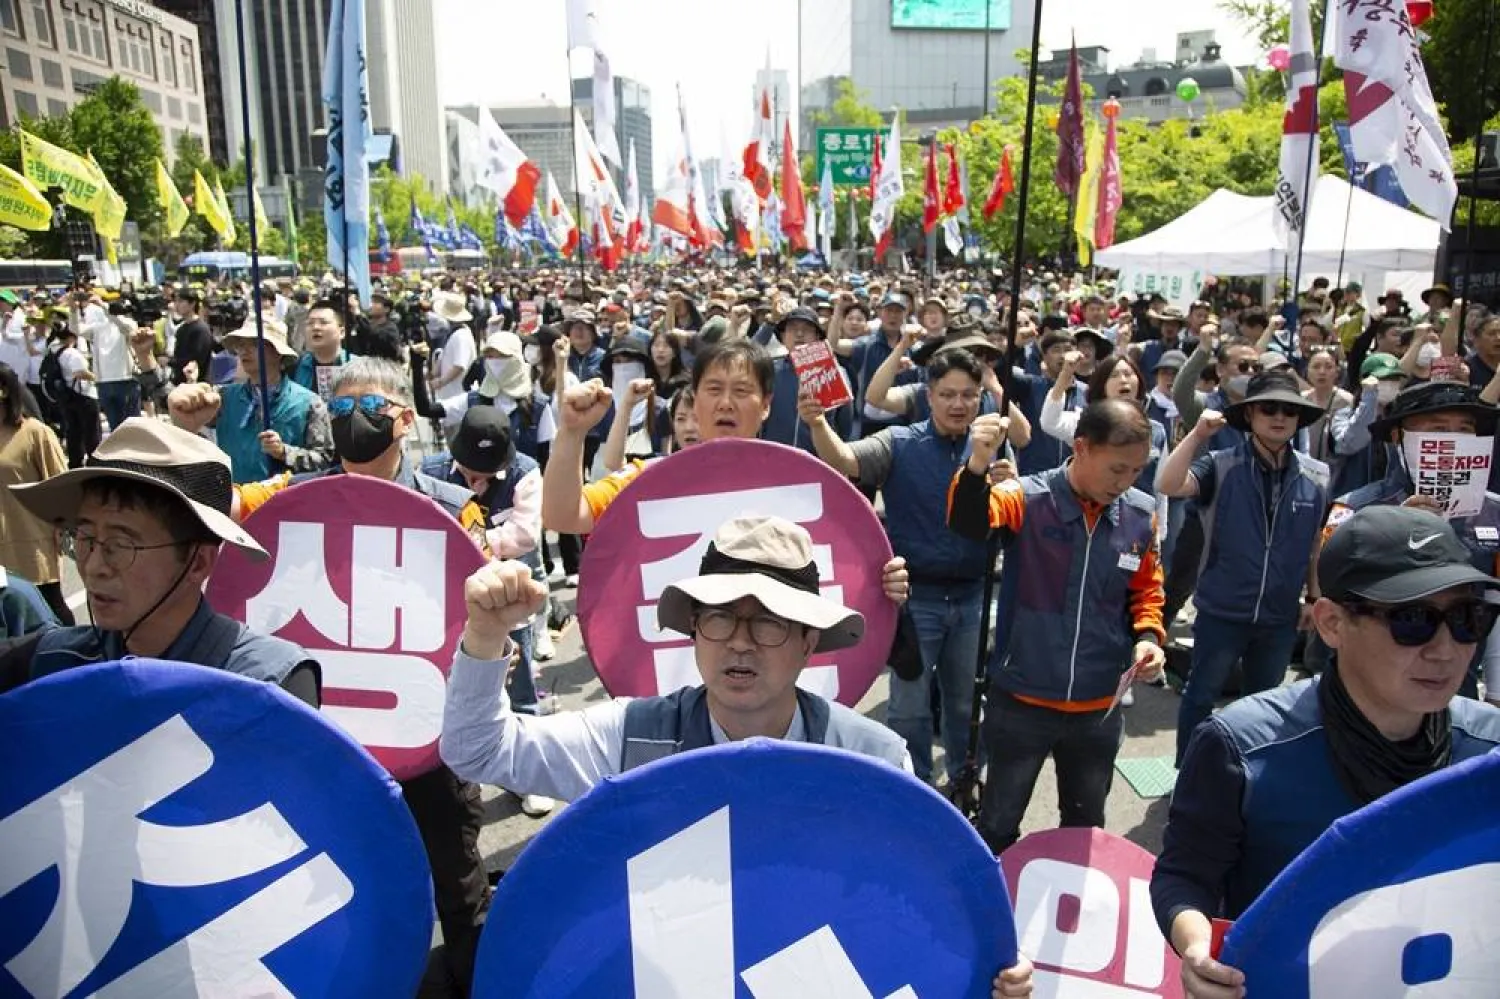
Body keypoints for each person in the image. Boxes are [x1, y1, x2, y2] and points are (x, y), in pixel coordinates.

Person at [440, 514, 1035, 997]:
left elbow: (911, 904)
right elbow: (476, 749)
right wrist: (487, 635)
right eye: (721, 617)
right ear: (694, 629)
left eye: (770, 622)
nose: (741, 641)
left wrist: (984, 969)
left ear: (809, 642)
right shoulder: (633, 737)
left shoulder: (869, 759)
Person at [175, 357, 491, 995]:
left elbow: (478, 607)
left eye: (369, 410)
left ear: (405, 418)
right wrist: (194, 436)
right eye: (341, 412)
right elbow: (209, 505)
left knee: (456, 881)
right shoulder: (290, 498)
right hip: (325, 739)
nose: (354, 424)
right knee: (328, 876)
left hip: (427, 738)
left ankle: (474, 978)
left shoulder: (453, 512)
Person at [1152, 506, 1500, 999]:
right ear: (1332, 623)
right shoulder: (1243, 747)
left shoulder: (1489, 754)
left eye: (1468, 618)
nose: (1446, 650)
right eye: (1413, 620)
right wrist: (1196, 947)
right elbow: (1183, 876)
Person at [541, 338, 911, 607]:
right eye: (714, 389)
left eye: (742, 390)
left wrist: (881, 581)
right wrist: (572, 432)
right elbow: (563, 515)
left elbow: (844, 569)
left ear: (766, 405)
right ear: (695, 399)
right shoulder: (650, 479)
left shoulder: (805, 483)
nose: (725, 402)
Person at [947, 401, 1166, 852]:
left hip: (1098, 707)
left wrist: (1148, 640)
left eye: (1137, 471)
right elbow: (967, 523)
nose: (1125, 483)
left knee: (1084, 834)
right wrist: (975, 467)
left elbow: (1147, 591)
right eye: (1116, 469)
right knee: (997, 827)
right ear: (1081, 448)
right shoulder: (1025, 497)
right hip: (1021, 701)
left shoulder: (1141, 515)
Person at [0, 419, 320, 706]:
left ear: (198, 563)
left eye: (121, 544)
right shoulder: (51, 663)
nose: (95, 565)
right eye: (84, 538)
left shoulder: (268, 683)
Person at [800, 348, 995, 784]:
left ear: (981, 397)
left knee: (966, 703)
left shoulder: (988, 448)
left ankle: (967, 783)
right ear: (929, 396)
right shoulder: (900, 442)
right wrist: (817, 424)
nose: (958, 404)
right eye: (947, 394)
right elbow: (845, 461)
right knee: (909, 709)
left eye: (968, 394)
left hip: (972, 599)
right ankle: (915, 787)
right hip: (913, 602)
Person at [1157, 371, 1331, 763]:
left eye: (1290, 410)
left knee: (1263, 705)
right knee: (1201, 696)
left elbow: (1314, 543)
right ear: (1249, 414)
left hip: (1280, 615)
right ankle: (1189, 773)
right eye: (1268, 408)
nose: (1279, 417)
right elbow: (1168, 483)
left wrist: (1312, 596)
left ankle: (1246, 776)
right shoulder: (1220, 464)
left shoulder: (1317, 475)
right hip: (1222, 608)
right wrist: (1198, 434)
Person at [1324, 380, 1500, 701]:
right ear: (1398, 437)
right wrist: (1394, 533)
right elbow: (1329, 591)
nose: (1455, 439)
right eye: (1439, 428)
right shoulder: (1352, 507)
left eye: (1465, 428)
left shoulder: (1493, 511)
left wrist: (1497, 686)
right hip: (1370, 687)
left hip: (1456, 683)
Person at [209, 318, 334, 482]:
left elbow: (324, 460)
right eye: (241, 345)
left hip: (282, 501)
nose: (244, 351)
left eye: (255, 344)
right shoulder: (222, 398)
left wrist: (284, 452)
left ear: (277, 353)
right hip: (233, 500)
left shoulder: (309, 403)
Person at [0, 362, 72, 624]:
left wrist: (64, 530)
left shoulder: (35, 433)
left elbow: (61, 486)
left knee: (50, 612)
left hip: (31, 546)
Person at [53, 325, 100, 469]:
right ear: (72, 337)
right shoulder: (72, 353)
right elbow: (79, 373)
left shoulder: (54, 350)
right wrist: (96, 377)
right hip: (83, 395)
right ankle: (95, 460)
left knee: (73, 430)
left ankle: (75, 462)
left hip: (67, 396)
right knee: (91, 431)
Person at [290, 299, 351, 400]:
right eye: (310, 323)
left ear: (342, 332)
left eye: (323, 322)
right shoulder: (295, 366)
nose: (316, 327)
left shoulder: (358, 366)